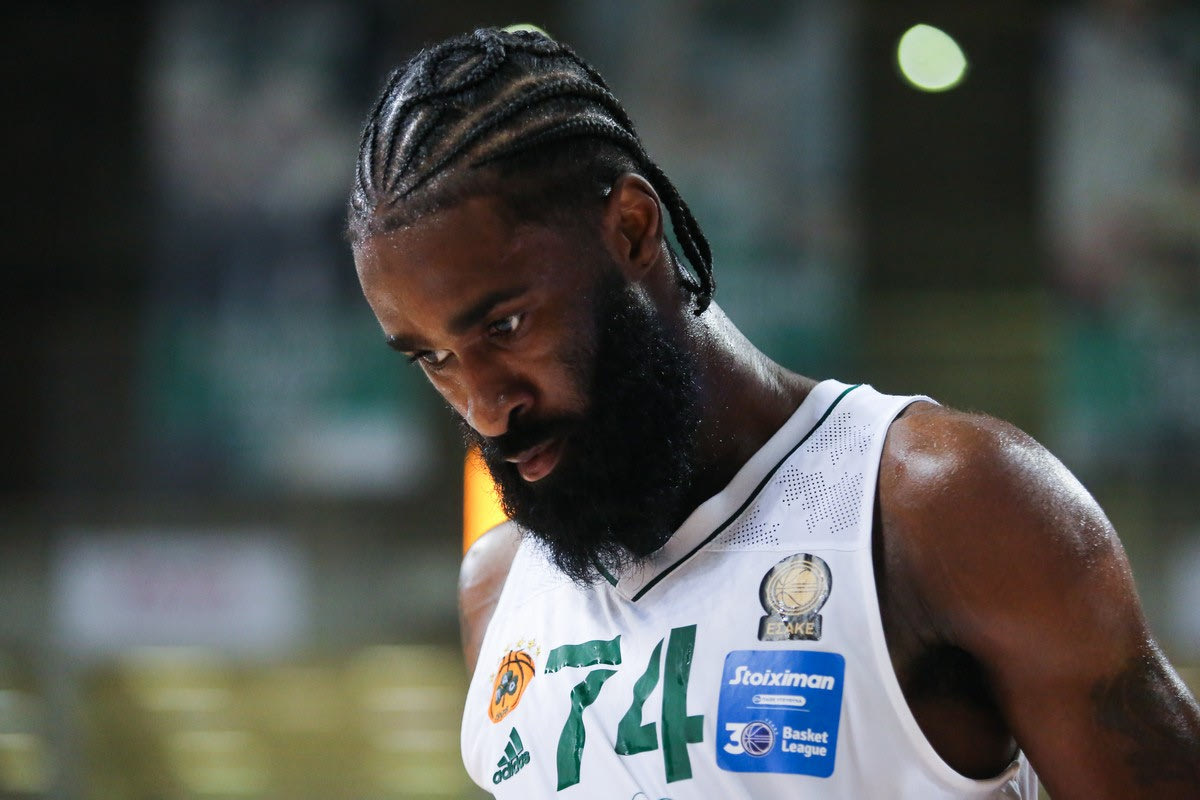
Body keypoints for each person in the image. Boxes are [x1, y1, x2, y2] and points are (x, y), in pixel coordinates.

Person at [346, 27, 1200, 799]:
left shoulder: (941, 507)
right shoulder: (499, 595)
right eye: (433, 358)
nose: (486, 408)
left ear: (634, 230)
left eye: (505, 327)